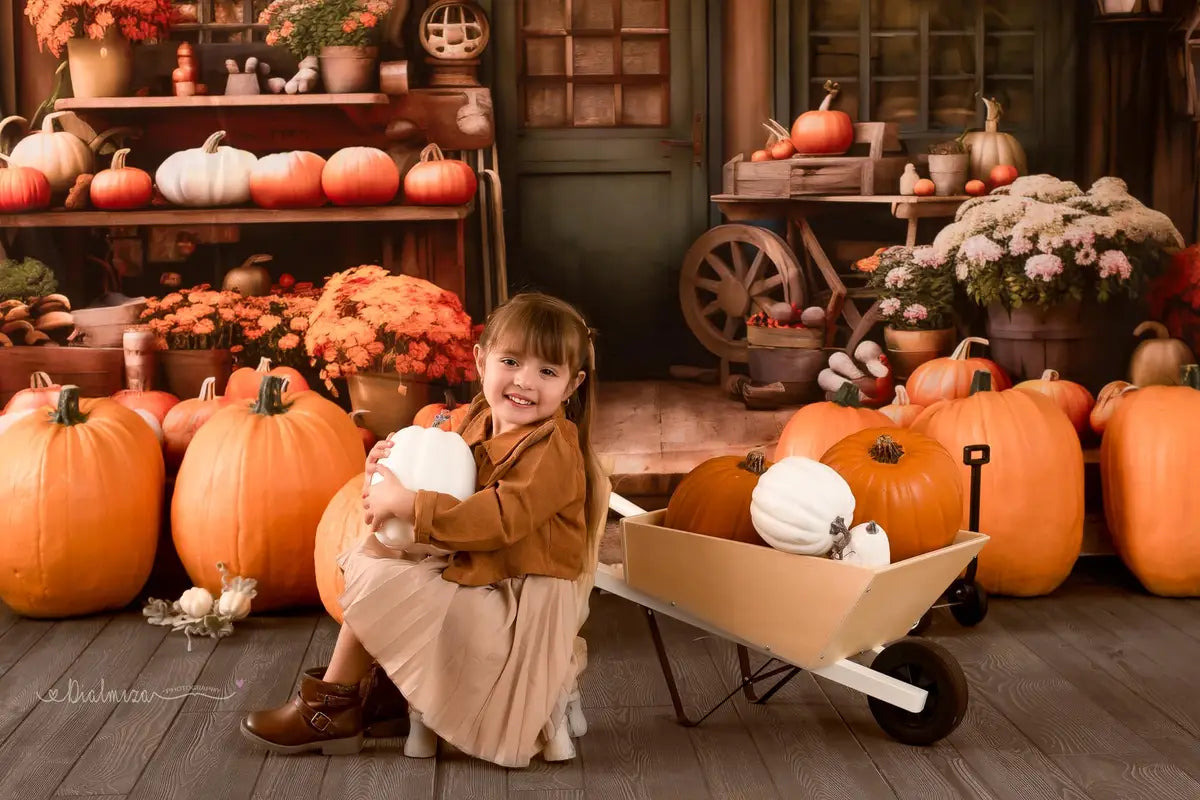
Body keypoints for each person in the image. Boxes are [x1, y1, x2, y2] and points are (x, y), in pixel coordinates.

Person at [241, 292, 607, 768]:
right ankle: (378, 694)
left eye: (547, 371)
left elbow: (497, 518)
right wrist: (386, 466)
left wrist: (412, 505)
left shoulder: (551, 449)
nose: (524, 381)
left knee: (387, 580)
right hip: (487, 570)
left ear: (571, 384)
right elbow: (443, 472)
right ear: (481, 360)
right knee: (378, 556)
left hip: (521, 600)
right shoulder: (476, 419)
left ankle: (330, 707)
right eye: (512, 361)